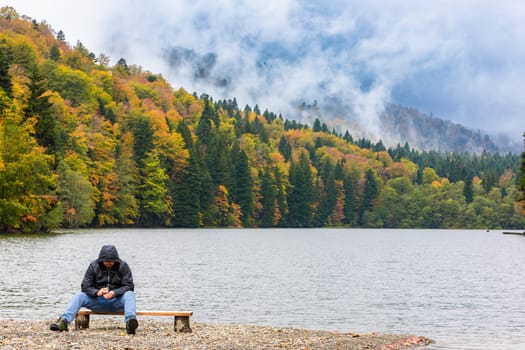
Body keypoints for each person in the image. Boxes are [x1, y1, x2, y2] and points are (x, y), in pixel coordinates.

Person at [50, 245, 138, 334]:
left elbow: (129, 286)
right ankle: (63, 322)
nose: (109, 263)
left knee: (130, 294)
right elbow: (85, 286)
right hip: (98, 301)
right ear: (101, 260)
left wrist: (114, 292)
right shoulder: (93, 266)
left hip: (116, 302)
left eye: (111, 261)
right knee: (79, 296)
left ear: (116, 260)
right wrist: (97, 292)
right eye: (106, 261)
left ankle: (130, 323)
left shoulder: (123, 266)